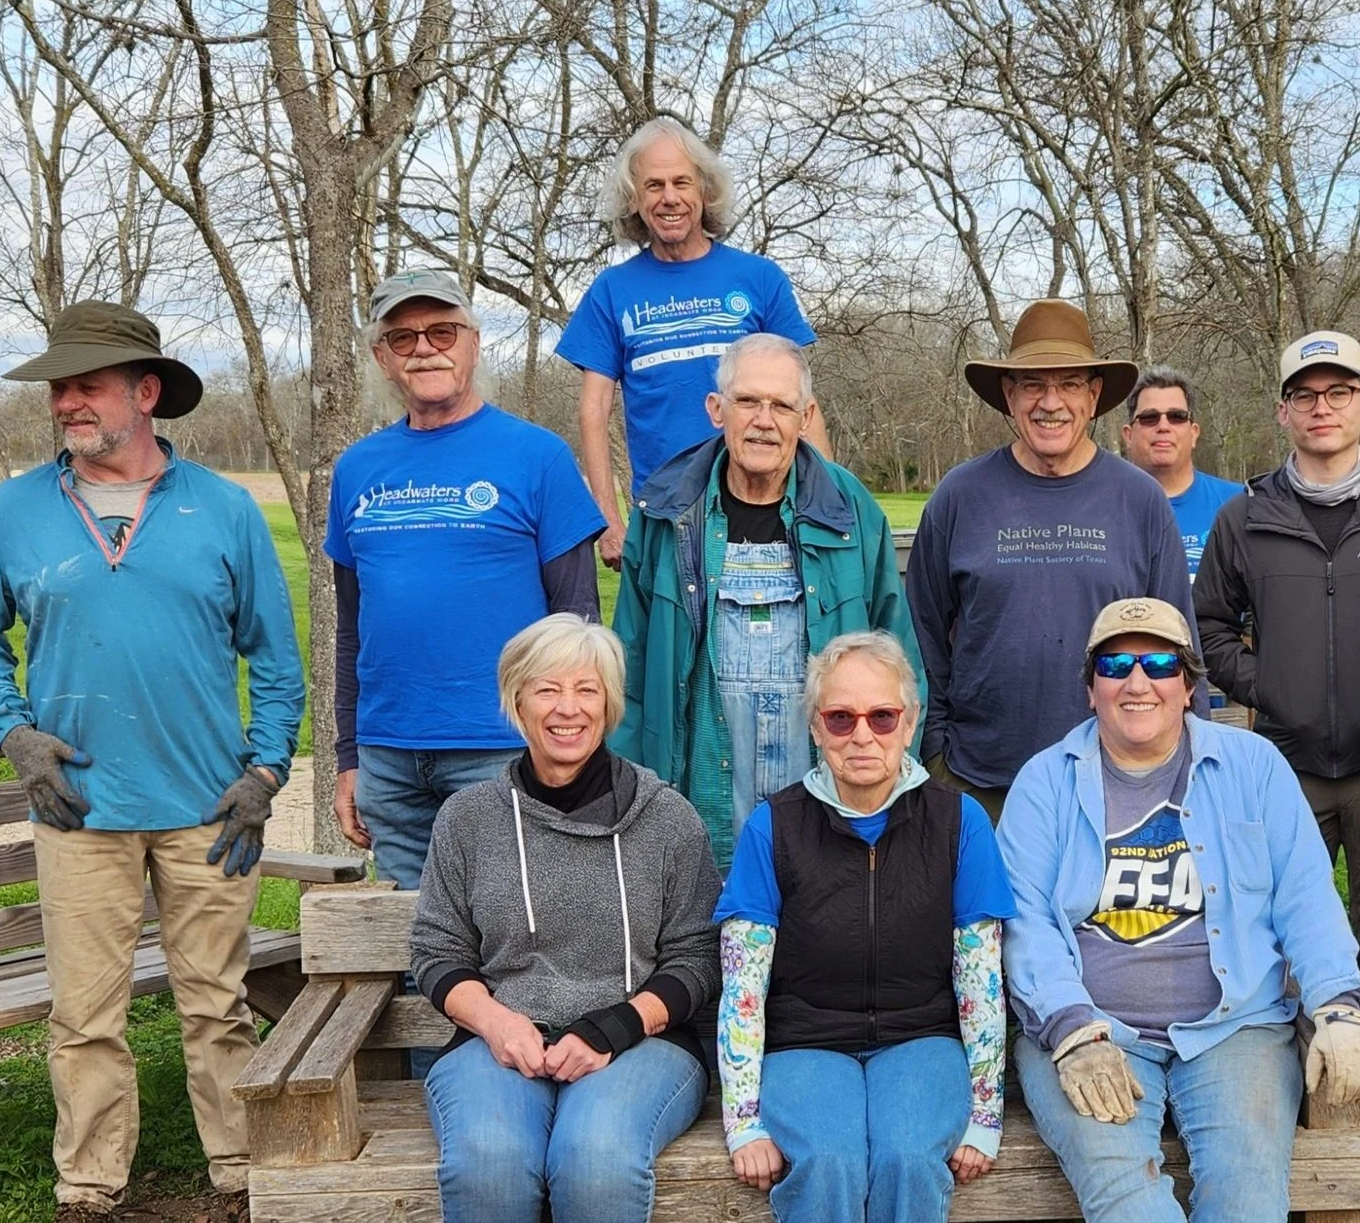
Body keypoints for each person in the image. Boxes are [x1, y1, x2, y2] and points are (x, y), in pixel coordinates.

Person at [0, 303, 304, 1223]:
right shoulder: (14, 512)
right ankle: (87, 1200)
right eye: (58, 385)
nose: (65, 399)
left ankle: (241, 1181)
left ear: (145, 392)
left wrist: (265, 771)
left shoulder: (220, 509)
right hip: (79, 814)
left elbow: (275, 659)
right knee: (85, 1016)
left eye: (87, 382)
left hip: (207, 813)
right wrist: (13, 732)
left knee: (217, 1008)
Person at [1000, 599, 1360, 1223]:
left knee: (1247, 1164)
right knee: (1112, 1162)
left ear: (1188, 682)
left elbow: (1306, 899)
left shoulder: (1249, 767)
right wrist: (1070, 1027)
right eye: (1117, 663)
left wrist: (1337, 1006)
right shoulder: (1043, 783)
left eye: (1160, 663)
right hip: (1094, 1028)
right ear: (1089, 683)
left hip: (1235, 1019)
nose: (1139, 680)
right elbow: (1021, 928)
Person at [409, 614, 720, 1223]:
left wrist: (612, 1027)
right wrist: (497, 1020)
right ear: (516, 701)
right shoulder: (469, 819)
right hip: (502, 1039)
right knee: (487, 1151)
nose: (567, 707)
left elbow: (698, 959)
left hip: (638, 1044)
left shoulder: (667, 820)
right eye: (547, 687)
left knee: (594, 1151)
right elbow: (435, 955)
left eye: (586, 688)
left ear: (610, 703)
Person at [716, 632, 1012, 1223]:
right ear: (814, 724)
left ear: (910, 719)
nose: (861, 734)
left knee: (913, 1158)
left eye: (881, 714)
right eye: (840, 716)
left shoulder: (958, 820)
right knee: (833, 1159)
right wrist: (744, 1121)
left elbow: (979, 978)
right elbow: (743, 985)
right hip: (807, 1037)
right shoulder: (774, 825)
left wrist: (984, 1115)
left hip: (922, 1036)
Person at [1195, 330, 1360, 1039]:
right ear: (1282, 413)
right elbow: (1207, 624)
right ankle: (1278, 1082)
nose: (1320, 408)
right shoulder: (1243, 517)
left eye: (1337, 392)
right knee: (1263, 934)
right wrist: (1270, 686)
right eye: (1303, 395)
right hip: (1283, 766)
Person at [327, 270, 605, 888]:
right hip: (389, 759)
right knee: (409, 951)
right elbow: (352, 630)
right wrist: (349, 756)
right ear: (382, 357)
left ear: (473, 342)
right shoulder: (356, 469)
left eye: (443, 331)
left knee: (514, 935)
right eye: (403, 338)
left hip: (502, 748)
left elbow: (579, 624)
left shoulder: (537, 457)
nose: (425, 348)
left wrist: (574, 754)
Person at [611, 334, 921, 865]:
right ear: (717, 410)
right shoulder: (665, 514)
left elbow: (901, 665)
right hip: (695, 818)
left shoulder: (850, 512)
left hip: (828, 818)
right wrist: (627, 800)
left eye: (781, 405)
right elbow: (629, 672)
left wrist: (886, 799)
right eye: (748, 401)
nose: (764, 420)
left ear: (807, 417)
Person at [906, 301, 1200, 823]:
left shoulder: (1139, 500)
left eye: (1068, 384)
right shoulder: (960, 495)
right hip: (980, 781)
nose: (1050, 402)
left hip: (1115, 778)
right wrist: (936, 752)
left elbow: (1179, 642)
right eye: (1033, 384)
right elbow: (922, 632)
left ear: (1093, 396)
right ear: (1009, 395)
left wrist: (1185, 763)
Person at [557, 118, 828, 565]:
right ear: (634, 199)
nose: (669, 198)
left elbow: (800, 400)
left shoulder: (759, 279)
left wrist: (824, 502)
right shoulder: (611, 290)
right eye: (653, 185)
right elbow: (593, 411)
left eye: (681, 182)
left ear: (704, 190)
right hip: (664, 514)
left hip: (767, 506)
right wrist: (607, 518)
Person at [1118, 367, 1241, 579]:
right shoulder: (1099, 510)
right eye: (1149, 417)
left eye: (1177, 416)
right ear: (1128, 436)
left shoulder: (1238, 504)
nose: (1163, 426)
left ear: (1193, 433)